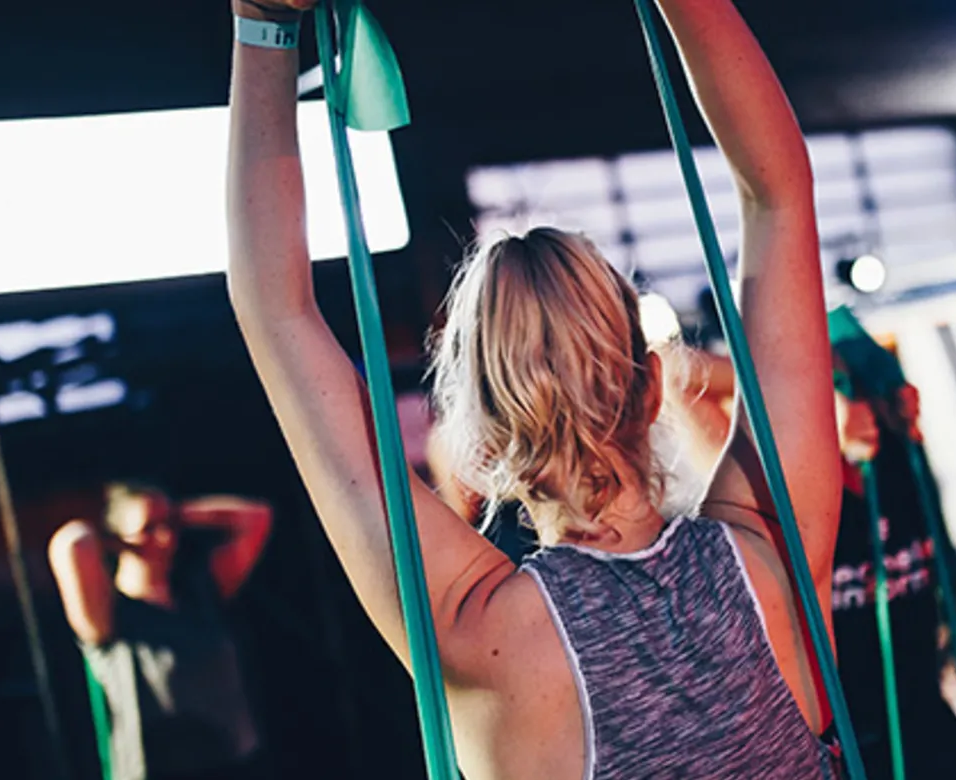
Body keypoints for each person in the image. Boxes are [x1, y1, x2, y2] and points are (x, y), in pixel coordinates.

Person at [227, 0, 843, 776]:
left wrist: (263, 23)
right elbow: (778, 193)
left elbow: (277, 314)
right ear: (653, 386)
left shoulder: (479, 630)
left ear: (480, 445)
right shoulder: (771, 550)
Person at [48, 482, 271, 780]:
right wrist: (118, 539)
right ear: (118, 539)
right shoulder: (108, 616)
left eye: (170, 526)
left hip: (234, 765)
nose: (165, 538)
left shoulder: (200, 594)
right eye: (150, 528)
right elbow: (72, 543)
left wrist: (181, 513)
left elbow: (256, 517)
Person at [830, 341, 956, 780]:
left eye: (858, 390)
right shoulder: (796, 490)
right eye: (838, 391)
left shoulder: (901, 463)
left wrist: (902, 412)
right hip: (857, 736)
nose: (857, 406)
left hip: (928, 709)